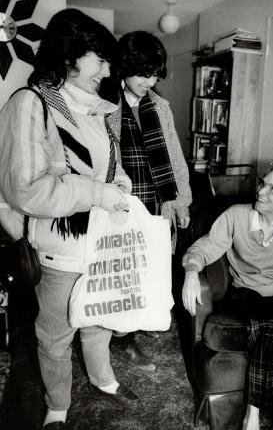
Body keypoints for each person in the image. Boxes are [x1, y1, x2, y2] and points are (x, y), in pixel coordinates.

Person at [0, 9, 139, 429]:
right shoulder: (30, 103)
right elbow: (25, 190)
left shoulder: (94, 110)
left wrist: (123, 185)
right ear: (71, 56)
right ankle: (57, 406)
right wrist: (99, 193)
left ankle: (103, 380)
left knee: (97, 319)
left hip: (100, 243)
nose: (108, 69)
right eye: (101, 58)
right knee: (56, 335)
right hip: (60, 249)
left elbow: (106, 170)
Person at [182, 161, 273, 430]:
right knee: (269, 327)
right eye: (263, 184)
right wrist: (192, 270)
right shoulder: (236, 215)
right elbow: (206, 246)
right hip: (245, 292)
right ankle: (252, 414)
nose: (261, 192)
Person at [102, 31, 192, 372]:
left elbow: (174, 156)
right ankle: (118, 337)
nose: (150, 81)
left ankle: (130, 331)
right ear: (124, 68)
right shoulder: (105, 105)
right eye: (144, 73)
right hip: (121, 205)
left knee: (148, 271)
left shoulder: (161, 107)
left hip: (156, 204)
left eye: (155, 74)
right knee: (121, 271)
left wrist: (181, 201)